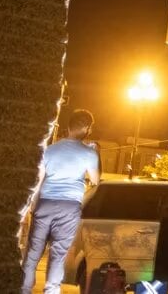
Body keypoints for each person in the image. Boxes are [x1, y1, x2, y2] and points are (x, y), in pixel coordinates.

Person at [21, 109, 100, 294]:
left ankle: (24, 289)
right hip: (69, 206)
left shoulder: (50, 150)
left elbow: (38, 180)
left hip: (45, 203)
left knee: (33, 251)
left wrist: (31, 206)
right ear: (87, 128)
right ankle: (51, 290)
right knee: (58, 253)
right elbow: (96, 181)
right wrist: (96, 153)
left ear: (68, 127)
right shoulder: (89, 154)